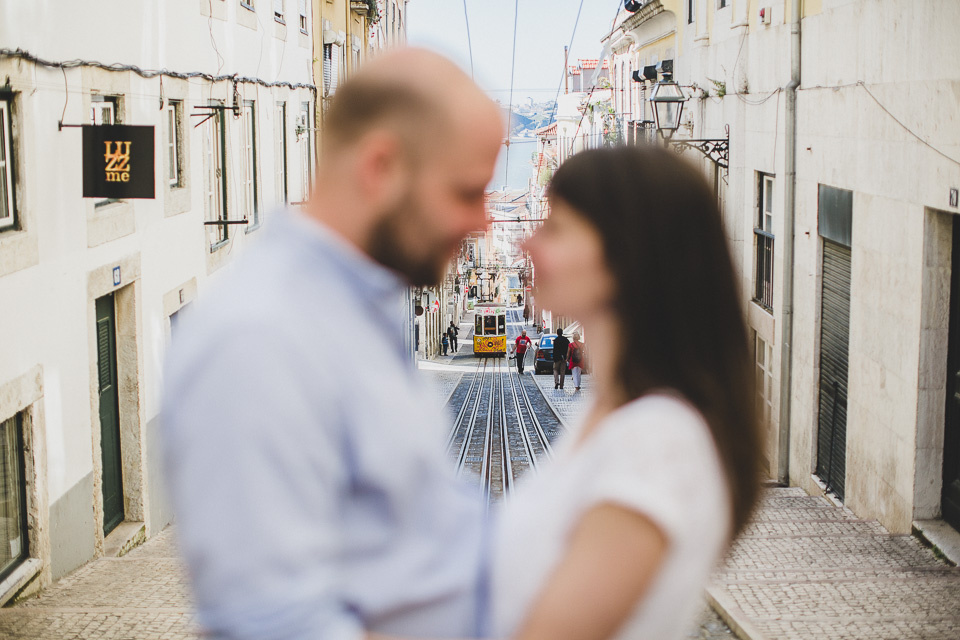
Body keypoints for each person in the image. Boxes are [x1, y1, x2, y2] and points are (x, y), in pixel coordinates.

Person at [161, 48, 504, 640]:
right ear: (380, 169)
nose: (485, 223)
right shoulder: (259, 341)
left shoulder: (358, 313)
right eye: (467, 192)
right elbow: (274, 624)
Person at [490, 145, 762, 640]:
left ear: (625, 254)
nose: (528, 244)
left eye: (555, 228)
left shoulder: (658, 441)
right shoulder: (612, 415)